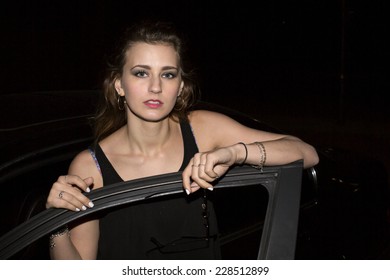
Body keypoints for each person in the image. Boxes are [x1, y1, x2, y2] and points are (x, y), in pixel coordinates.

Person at [45, 20, 319, 260]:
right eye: (141, 73)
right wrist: (56, 224)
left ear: (180, 86)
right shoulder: (90, 166)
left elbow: (306, 153)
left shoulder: (202, 129)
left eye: (167, 74)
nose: (155, 86)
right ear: (119, 85)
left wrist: (235, 153)